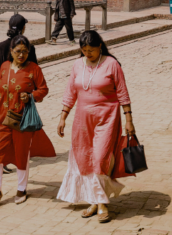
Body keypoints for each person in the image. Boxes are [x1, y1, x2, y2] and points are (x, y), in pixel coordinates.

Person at [56, 31, 135, 223]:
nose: (87, 54)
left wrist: (129, 119)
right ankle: (95, 199)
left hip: (107, 118)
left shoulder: (111, 64)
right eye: (83, 50)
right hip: (82, 121)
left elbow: (123, 93)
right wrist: (63, 117)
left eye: (90, 50)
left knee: (100, 158)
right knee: (86, 159)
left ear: (100, 46)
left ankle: (101, 204)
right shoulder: (77, 65)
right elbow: (70, 93)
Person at [0, 35, 54, 205]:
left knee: (21, 154)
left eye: (24, 51)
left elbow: (43, 89)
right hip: (3, 117)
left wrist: (31, 96)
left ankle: (21, 189)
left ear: (28, 52)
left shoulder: (34, 69)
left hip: (23, 120)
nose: (21, 55)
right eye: (17, 51)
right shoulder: (4, 66)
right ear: (11, 51)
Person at [0, 14, 38, 86]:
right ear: (23, 28)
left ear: (9, 27)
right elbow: (35, 71)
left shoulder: (1, 46)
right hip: (24, 87)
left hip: (5, 87)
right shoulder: (29, 47)